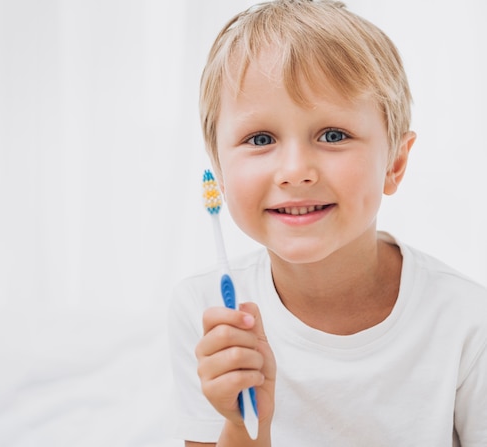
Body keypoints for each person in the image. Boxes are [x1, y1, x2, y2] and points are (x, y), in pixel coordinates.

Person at [168, 1, 487, 446]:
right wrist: (241, 424)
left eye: (333, 136)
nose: (295, 170)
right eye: (260, 139)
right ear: (218, 172)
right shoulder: (207, 311)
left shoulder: (467, 322)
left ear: (395, 162)